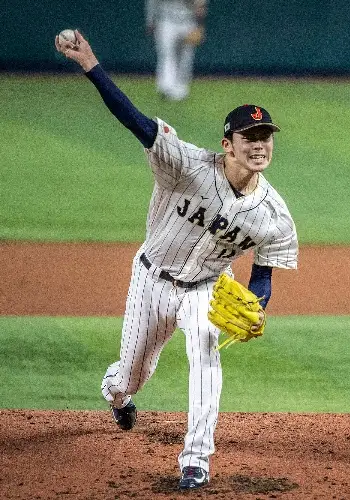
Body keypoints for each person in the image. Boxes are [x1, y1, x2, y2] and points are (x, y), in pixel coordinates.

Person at [55, 30, 298, 490]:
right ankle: (116, 395)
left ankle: (196, 459)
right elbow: (135, 121)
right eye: (250, 136)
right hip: (151, 280)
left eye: (265, 136)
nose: (260, 144)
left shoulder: (274, 214)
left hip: (205, 289)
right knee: (132, 374)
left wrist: (258, 302)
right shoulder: (184, 164)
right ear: (228, 144)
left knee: (205, 357)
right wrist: (91, 65)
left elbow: (264, 268)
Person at [146, 0, 207, 101]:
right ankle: (166, 87)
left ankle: (181, 89)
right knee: (166, 54)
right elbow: (152, 2)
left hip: (188, 21)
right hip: (166, 20)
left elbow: (200, 5)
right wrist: (151, 20)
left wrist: (200, 26)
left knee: (185, 57)